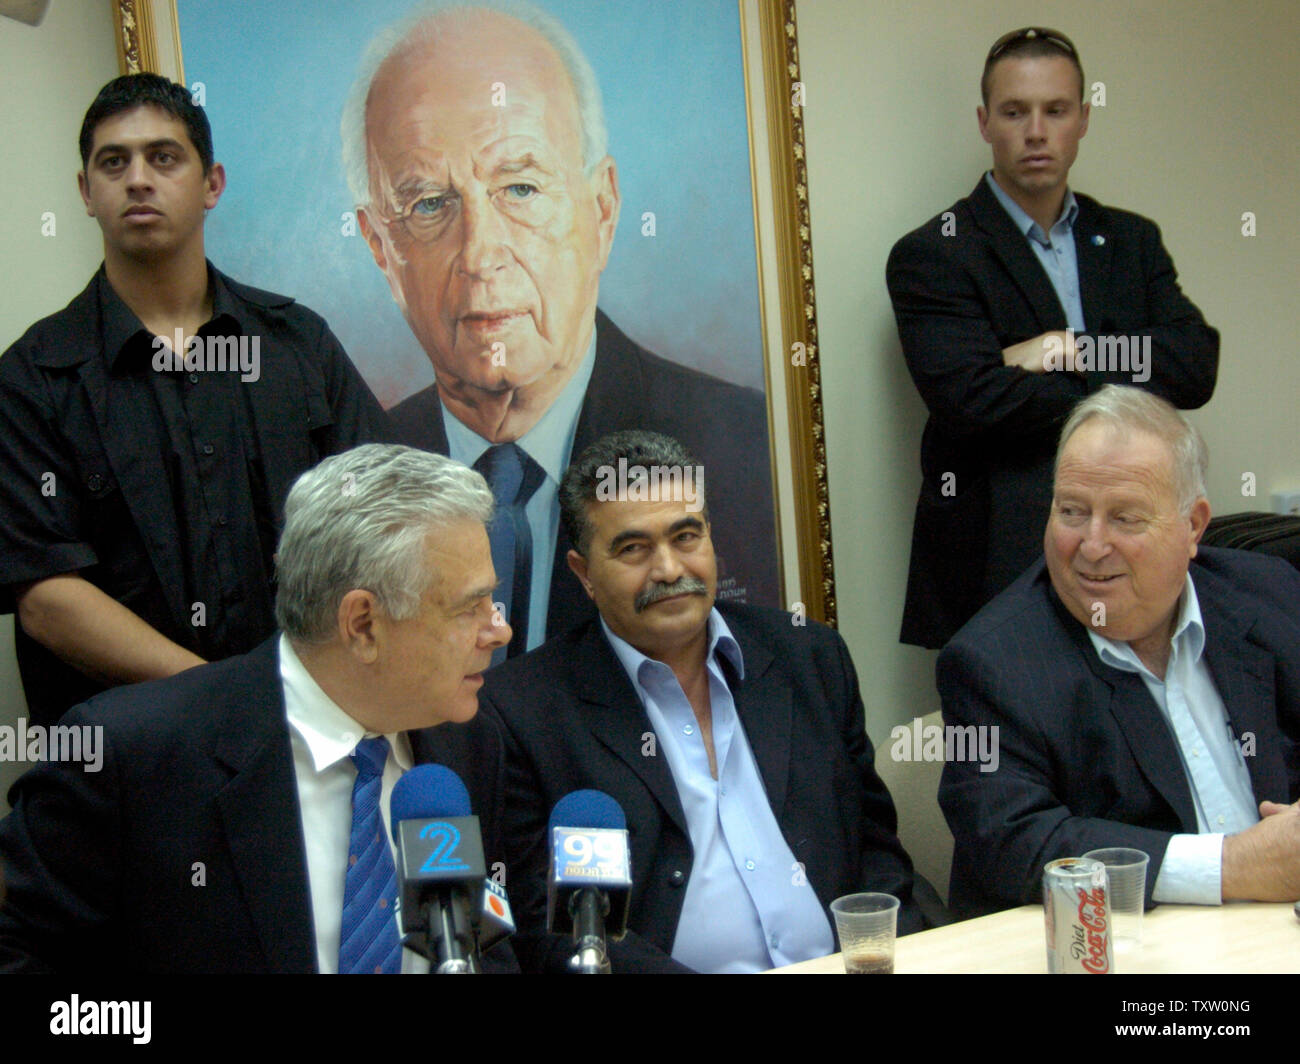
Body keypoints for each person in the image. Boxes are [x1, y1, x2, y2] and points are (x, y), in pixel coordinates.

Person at [342, 0, 778, 656]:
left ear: (601, 211)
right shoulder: (356, 479)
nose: (481, 254)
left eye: (520, 189)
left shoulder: (749, 454)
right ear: (379, 246)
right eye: (430, 204)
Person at [0, 444, 513, 973]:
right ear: (362, 624)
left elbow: (486, 945)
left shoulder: (466, 745)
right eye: (468, 607)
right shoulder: (128, 755)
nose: (500, 630)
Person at [0, 74, 388, 726]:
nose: (138, 179)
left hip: (308, 741)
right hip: (125, 772)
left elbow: (383, 522)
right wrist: (234, 696)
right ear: (85, 192)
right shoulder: (35, 377)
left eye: (164, 157)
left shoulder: (298, 346)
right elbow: (45, 597)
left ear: (212, 185)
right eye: (113, 162)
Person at [481, 430, 919, 973]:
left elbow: (878, 849)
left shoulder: (809, 656)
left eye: (686, 536)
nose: (669, 570)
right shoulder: (526, 711)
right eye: (633, 549)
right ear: (584, 574)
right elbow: (556, 928)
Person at [887, 27, 1219, 648]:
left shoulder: (1130, 239)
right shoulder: (933, 253)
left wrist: (1068, 350)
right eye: (1015, 111)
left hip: (1136, 548)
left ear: (1083, 118)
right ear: (985, 122)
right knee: (1012, 738)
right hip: (1001, 552)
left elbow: (1195, 364)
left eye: (1055, 110)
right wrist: (1127, 369)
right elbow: (973, 401)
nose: (1036, 131)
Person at [938, 387, 1300, 919]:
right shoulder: (991, 662)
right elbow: (1016, 842)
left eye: (1125, 518)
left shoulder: (1269, 594)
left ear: (1194, 525)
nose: (1091, 545)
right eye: (1071, 512)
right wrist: (1234, 865)